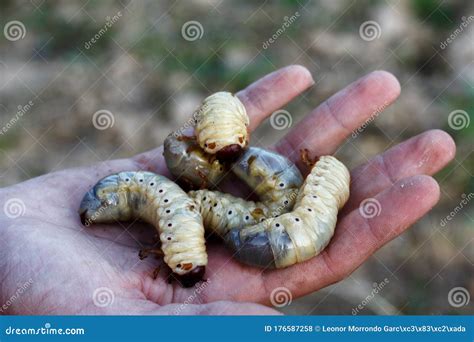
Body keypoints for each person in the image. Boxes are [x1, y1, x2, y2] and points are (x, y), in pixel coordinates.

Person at [0, 66, 455, 315]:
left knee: (199, 204)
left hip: (270, 210)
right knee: (182, 201)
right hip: (254, 209)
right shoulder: (190, 203)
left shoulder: (253, 202)